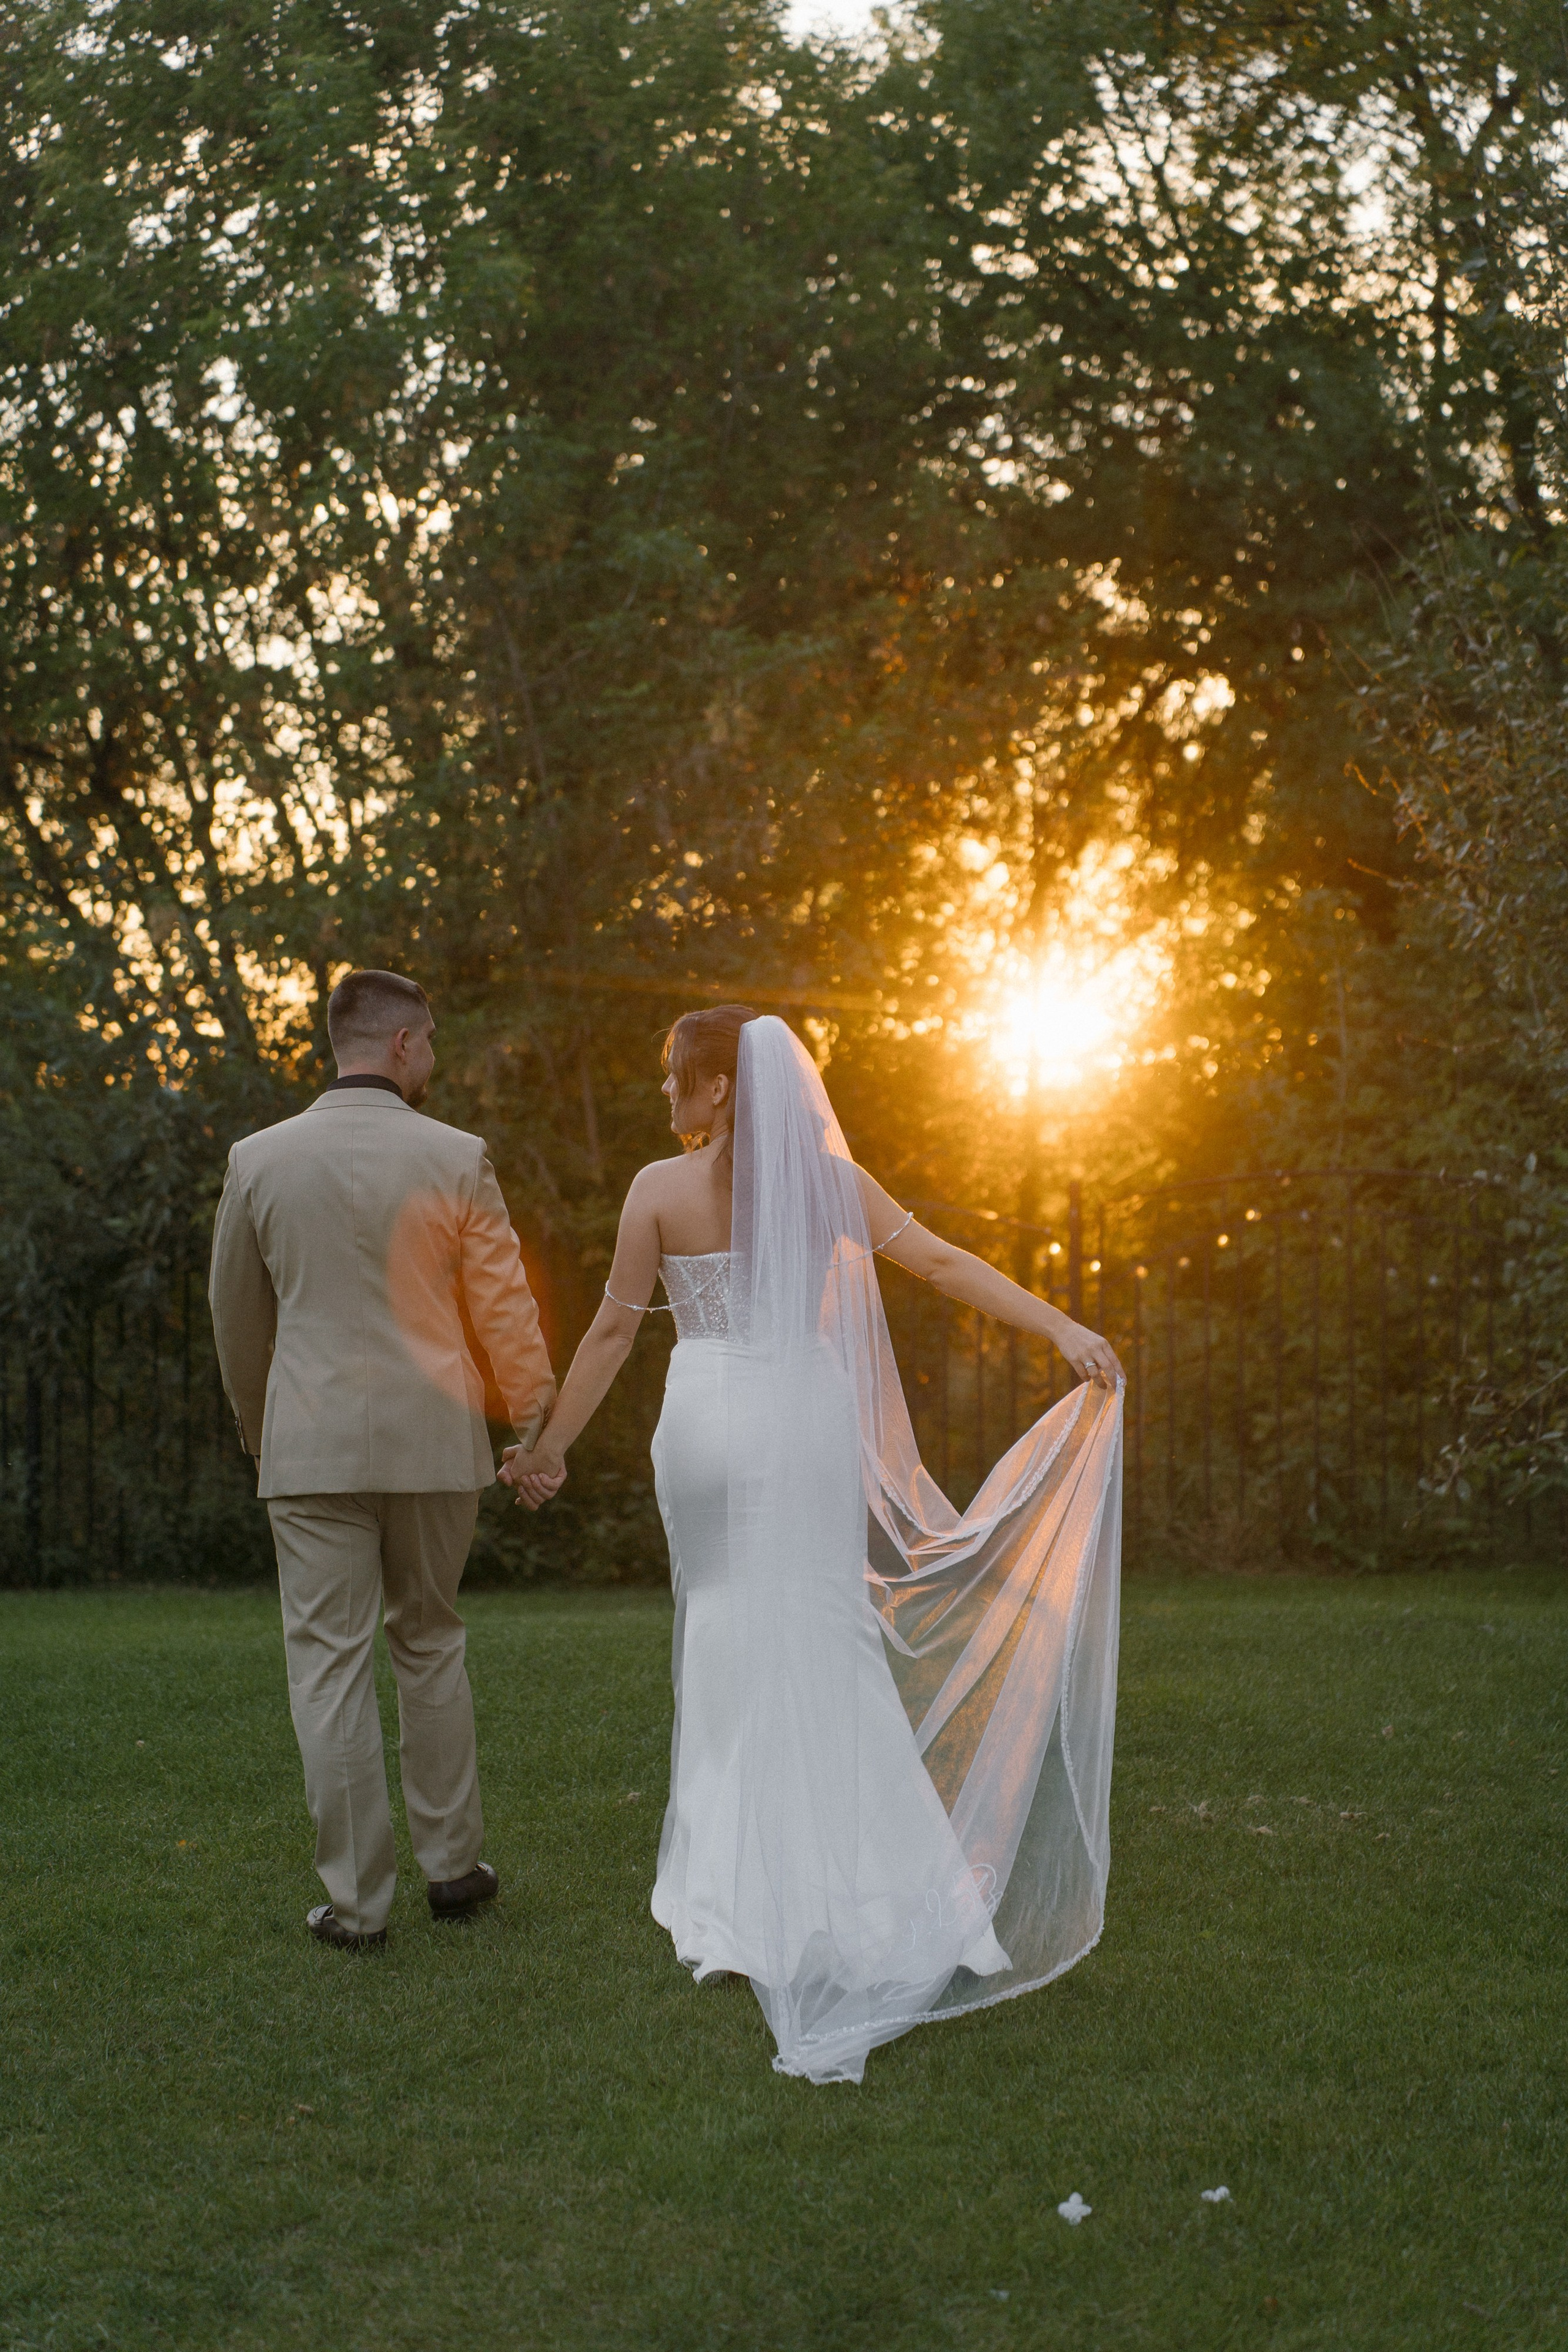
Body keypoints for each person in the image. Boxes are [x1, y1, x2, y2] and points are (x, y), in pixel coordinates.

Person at [505, 1006, 1124, 2082]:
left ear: (718, 1091)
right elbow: (939, 1262)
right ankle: (871, 1883)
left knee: (727, 1635)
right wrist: (1061, 1326)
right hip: (800, 1417)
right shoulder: (831, 1184)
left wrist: (549, 1449)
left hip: (704, 1423)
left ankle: (735, 1890)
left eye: (674, 1079)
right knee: (824, 1637)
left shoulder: (657, 1190)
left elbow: (610, 1332)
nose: (665, 1097)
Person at [209, 970, 556, 1950]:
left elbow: (236, 1318)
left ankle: (357, 1908)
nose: (435, 1058)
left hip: (310, 1446)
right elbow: (504, 1304)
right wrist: (532, 1421)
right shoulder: (457, 1156)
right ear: (402, 1046)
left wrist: (258, 1424)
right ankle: (453, 1868)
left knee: (328, 1667)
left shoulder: (258, 1160)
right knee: (430, 1640)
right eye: (433, 1041)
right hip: (435, 1446)